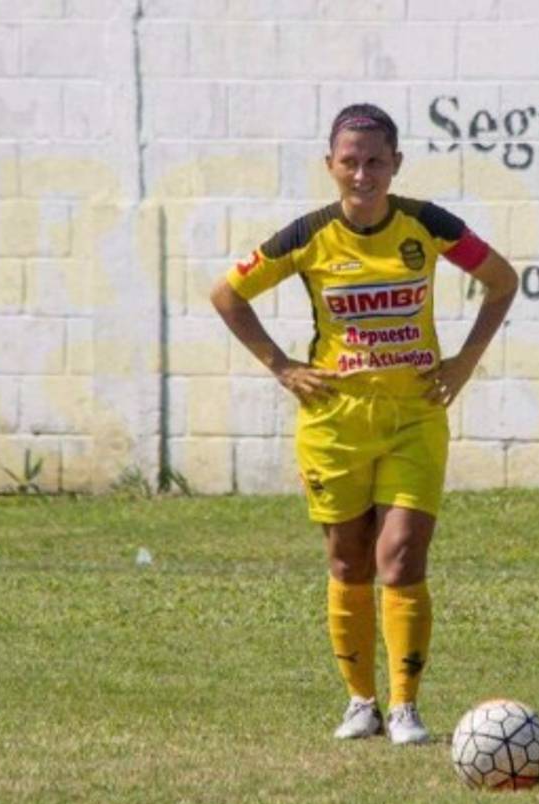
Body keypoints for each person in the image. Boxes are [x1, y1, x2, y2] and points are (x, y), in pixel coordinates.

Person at [210, 103, 518, 745]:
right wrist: (282, 366)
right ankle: (361, 701)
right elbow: (227, 295)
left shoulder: (427, 225)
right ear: (330, 166)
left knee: (401, 556)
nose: (362, 174)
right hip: (334, 424)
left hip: (414, 417)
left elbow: (501, 280)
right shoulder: (307, 235)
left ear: (396, 164)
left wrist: (463, 363)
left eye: (375, 160)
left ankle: (405, 705)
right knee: (348, 562)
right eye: (349, 161)